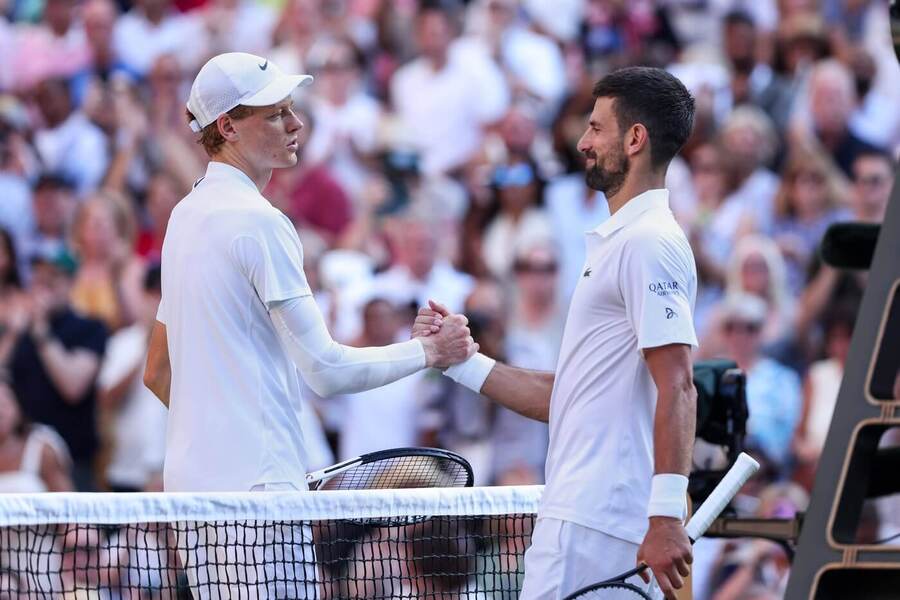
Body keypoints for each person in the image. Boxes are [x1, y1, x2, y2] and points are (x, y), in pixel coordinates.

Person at [143, 51, 476, 597]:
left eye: (291, 110)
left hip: (191, 498)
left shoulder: (183, 216)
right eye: (276, 113)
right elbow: (324, 369)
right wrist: (429, 352)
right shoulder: (259, 222)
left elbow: (158, 370)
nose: (295, 125)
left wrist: (221, 434)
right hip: (260, 500)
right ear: (228, 126)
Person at [415, 66, 699, 599]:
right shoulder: (627, 243)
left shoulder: (646, 243)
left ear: (635, 139)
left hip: (598, 523)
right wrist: (460, 360)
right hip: (585, 515)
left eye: (596, 127)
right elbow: (565, 396)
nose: (583, 142)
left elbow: (679, 385)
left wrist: (664, 517)